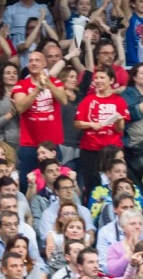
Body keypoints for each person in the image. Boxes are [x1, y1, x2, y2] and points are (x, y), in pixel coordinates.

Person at [12, 50, 69, 190]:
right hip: (29, 143)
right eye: (31, 60)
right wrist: (37, 90)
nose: (33, 63)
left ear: (44, 64)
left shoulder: (56, 82)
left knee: (56, 182)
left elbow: (63, 100)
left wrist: (48, 83)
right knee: (27, 183)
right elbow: (20, 107)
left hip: (52, 144)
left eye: (37, 60)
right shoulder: (21, 85)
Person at [75, 65, 130, 193]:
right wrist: (90, 124)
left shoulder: (119, 101)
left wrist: (119, 120)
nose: (98, 80)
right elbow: (77, 123)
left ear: (111, 80)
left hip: (112, 151)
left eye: (102, 77)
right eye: (96, 78)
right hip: (90, 150)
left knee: (117, 184)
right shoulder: (88, 100)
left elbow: (120, 129)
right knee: (90, 186)